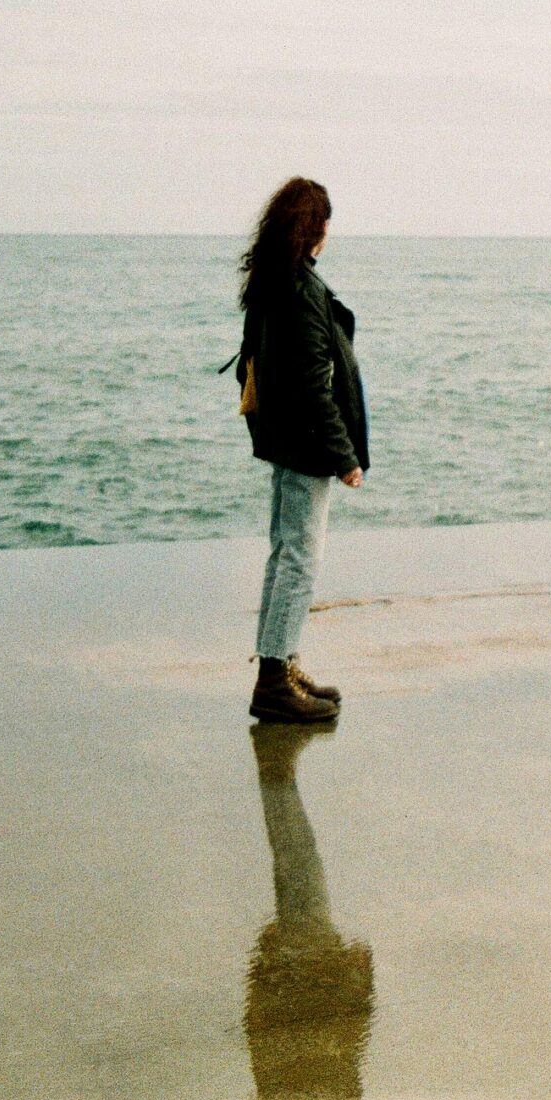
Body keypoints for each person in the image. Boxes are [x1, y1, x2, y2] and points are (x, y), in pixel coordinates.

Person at [233, 177, 368, 724]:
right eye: (326, 223)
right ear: (315, 228)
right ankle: (274, 682)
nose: (329, 234)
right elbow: (316, 383)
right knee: (299, 559)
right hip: (307, 444)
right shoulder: (301, 290)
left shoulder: (274, 282)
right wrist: (345, 457)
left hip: (284, 438)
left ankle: (281, 664)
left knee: (283, 553)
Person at [245, 723, 376, 1100]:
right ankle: (277, 769)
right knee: (298, 867)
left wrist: (359, 980)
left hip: (305, 974)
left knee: (299, 867)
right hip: (299, 981)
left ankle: (277, 768)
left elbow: (347, 1063)